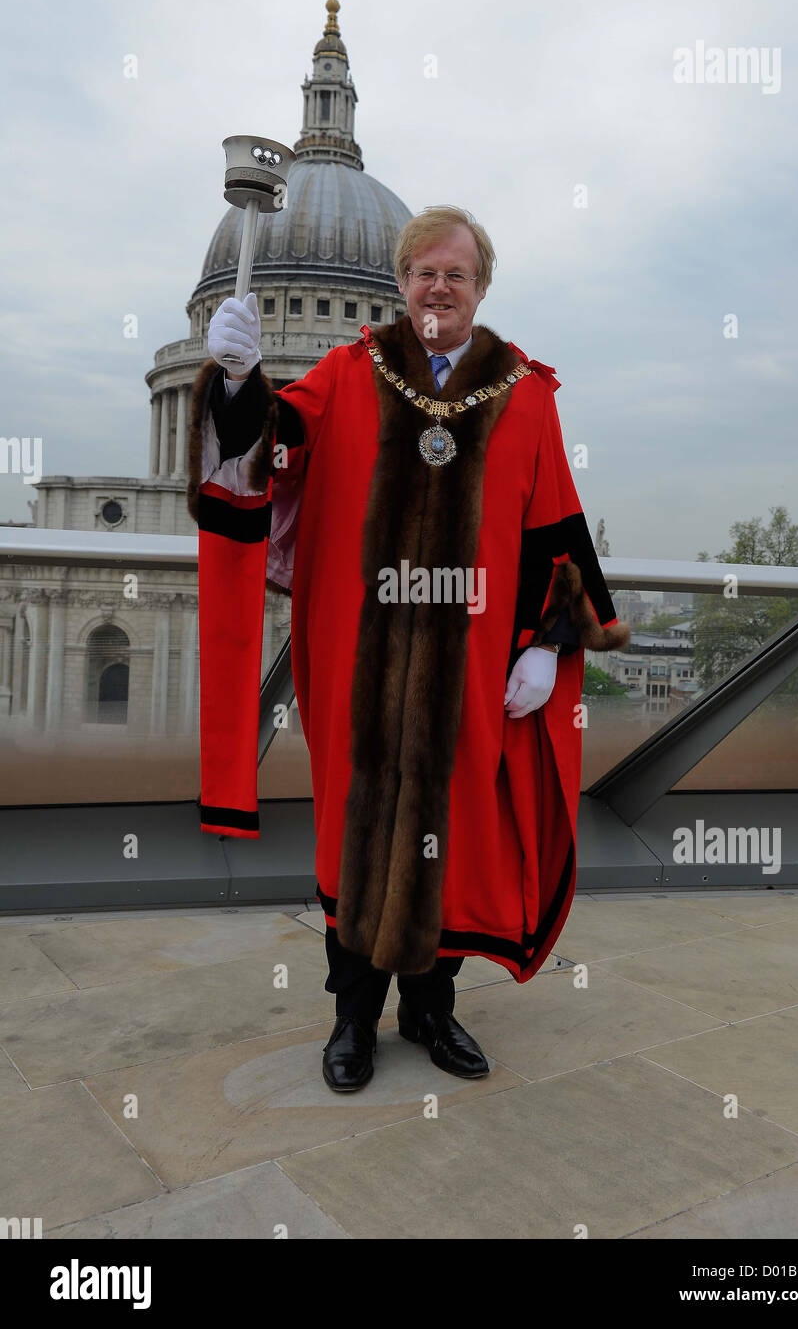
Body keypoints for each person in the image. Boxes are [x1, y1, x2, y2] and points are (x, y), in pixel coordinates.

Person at [186, 205, 629, 1092]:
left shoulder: (525, 395)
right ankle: (353, 1018)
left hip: (469, 671)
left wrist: (547, 643)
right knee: (356, 826)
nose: (438, 287)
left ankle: (431, 1009)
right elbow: (275, 451)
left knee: (446, 830)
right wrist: (238, 383)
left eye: (455, 274)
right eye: (424, 271)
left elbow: (556, 530)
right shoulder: (348, 375)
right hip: (357, 659)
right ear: (401, 283)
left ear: (480, 288)